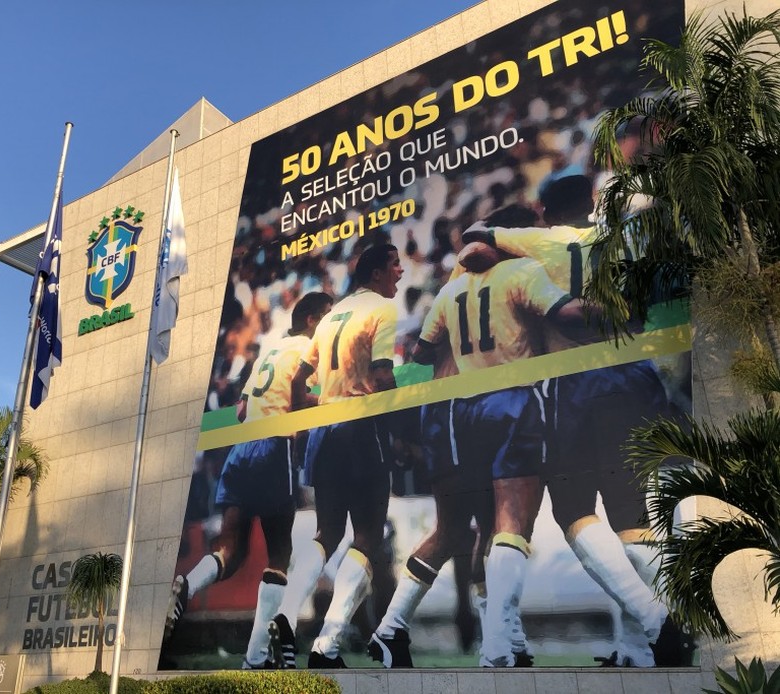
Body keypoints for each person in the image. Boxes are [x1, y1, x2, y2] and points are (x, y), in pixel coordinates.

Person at [463, 175, 684, 667]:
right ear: (592, 203)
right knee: (632, 516)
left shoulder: (540, 241)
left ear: (544, 210)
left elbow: (473, 240)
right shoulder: (623, 239)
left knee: (575, 512)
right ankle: (637, 649)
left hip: (577, 384)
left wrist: (504, 255)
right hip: (637, 375)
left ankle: (655, 621)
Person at [370, 241, 591, 668]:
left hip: (455, 416)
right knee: (480, 528)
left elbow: (420, 353)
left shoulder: (452, 292)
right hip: (463, 412)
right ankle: (408, 628)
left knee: (487, 529)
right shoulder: (510, 280)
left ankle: (503, 636)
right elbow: (427, 357)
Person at [161, 292, 333, 669]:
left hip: (240, 452)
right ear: (310, 320)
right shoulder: (312, 350)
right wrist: (327, 403)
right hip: (275, 448)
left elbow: (240, 410)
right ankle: (254, 658)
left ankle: (186, 585)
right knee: (279, 555)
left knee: (231, 551)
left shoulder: (269, 351)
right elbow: (300, 395)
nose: (330, 323)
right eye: (326, 315)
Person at [270, 243, 406, 669]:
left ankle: (285, 612)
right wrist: (402, 429)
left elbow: (297, 386)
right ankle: (326, 645)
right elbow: (383, 375)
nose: (401, 271)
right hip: (362, 429)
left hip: (324, 434)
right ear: (379, 273)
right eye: (396, 264)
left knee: (325, 534)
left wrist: (325, 406)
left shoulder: (330, 317)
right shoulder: (382, 310)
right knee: (367, 535)